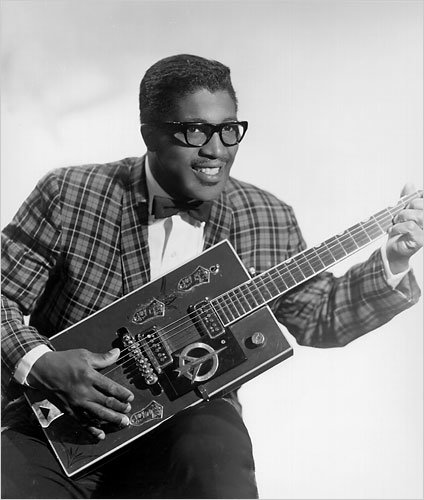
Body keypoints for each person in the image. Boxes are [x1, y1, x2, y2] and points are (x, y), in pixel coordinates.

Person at [1, 54, 422, 499]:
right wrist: (41, 363)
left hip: (191, 431)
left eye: (228, 130)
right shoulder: (71, 194)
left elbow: (318, 318)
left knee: (219, 465)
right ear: (150, 134)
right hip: (60, 426)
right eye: (195, 131)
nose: (216, 150)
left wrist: (393, 260)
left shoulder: (267, 217)